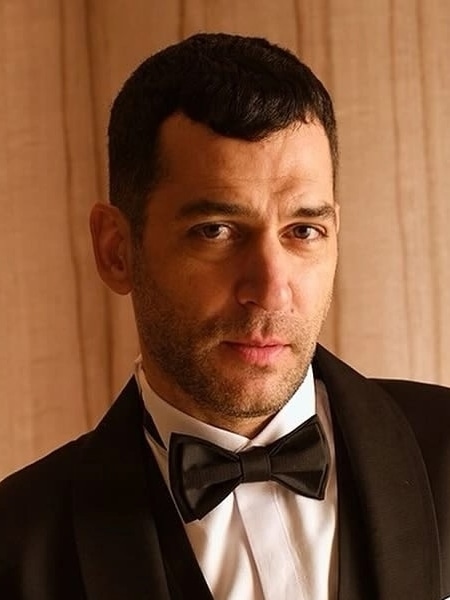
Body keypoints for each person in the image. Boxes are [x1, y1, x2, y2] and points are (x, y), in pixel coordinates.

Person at [0, 32, 449, 600]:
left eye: (303, 230)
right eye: (215, 231)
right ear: (116, 251)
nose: (271, 291)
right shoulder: (15, 546)